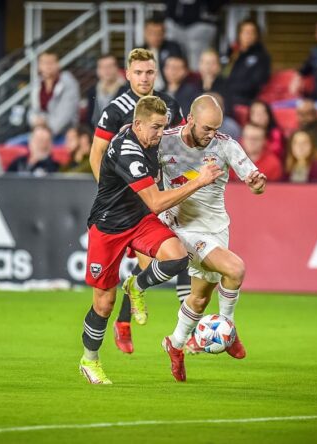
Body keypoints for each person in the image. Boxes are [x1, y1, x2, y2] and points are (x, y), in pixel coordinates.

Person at [79, 96, 222, 384]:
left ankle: (135, 284)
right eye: (155, 128)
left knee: (178, 255)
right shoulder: (127, 150)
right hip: (108, 227)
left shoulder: (153, 140)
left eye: (163, 127)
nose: (159, 134)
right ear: (137, 125)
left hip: (139, 220)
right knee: (104, 304)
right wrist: (199, 180)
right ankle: (89, 360)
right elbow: (156, 202)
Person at [158, 95, 267, 381]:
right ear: (190, 120)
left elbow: (253, 179)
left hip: (217, 228)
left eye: (215, 128)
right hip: (184, 228)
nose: (211, 135)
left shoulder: (225, 143)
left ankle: (176, 344)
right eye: (206, 128)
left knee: (199, 298)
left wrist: (257, 184)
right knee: (235, 269)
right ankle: (228, 327)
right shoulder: (165, 141)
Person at [88, 48, 189, 355]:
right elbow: (96, 155)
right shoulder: (115, 110)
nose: (144, 78)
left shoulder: (167, 105)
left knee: (172, 258)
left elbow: (179, 150)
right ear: (128, 74)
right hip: (126, 202)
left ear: (155, 74)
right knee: (154, 266)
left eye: (149, 72)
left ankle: (167, 325)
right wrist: (114, 193)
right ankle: (123, 321)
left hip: (153, 198)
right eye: (139, 73)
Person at [28, 51, 81, 137]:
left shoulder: (69, 82)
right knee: (12, 144)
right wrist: (35, 121)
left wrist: (46, 125)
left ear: (58, 64)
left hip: (65, 134)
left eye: (51, 62)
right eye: (44, 63)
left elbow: (65, 115)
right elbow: (32, 110)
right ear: (39, 66)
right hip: (39, 133)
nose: (48, 66)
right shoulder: (37, 84)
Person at [222, 20, 271, 110]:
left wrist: (230, 89)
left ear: (257, 36)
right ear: (239, 35)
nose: (248, 35)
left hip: (245, 98)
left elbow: (256, 83)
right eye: (245, 32)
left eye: (252, 32)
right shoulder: (234, 54)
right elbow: (223, 75)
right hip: (227, 95)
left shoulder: (261, 56)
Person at [164, 0, 225, 70]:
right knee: (173, 59)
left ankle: (197, 79)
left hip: (201, 24)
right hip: (175, 23)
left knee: (196, 63)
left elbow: (215, 6)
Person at [140, 17, 185, 91]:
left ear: (164, 34)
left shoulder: (173, 48)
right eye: (151, 33)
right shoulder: (138, 51)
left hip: (168, 90)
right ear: (145, 33)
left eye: (159, 33)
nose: (155, 37)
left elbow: (179, 70)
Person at [86, 54, 126, 128]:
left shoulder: (127, 91)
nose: (107, 70)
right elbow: (89, 119)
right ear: (98, 70)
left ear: (117, 68)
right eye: (103, 67)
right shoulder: (92, 91)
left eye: (110, 66)